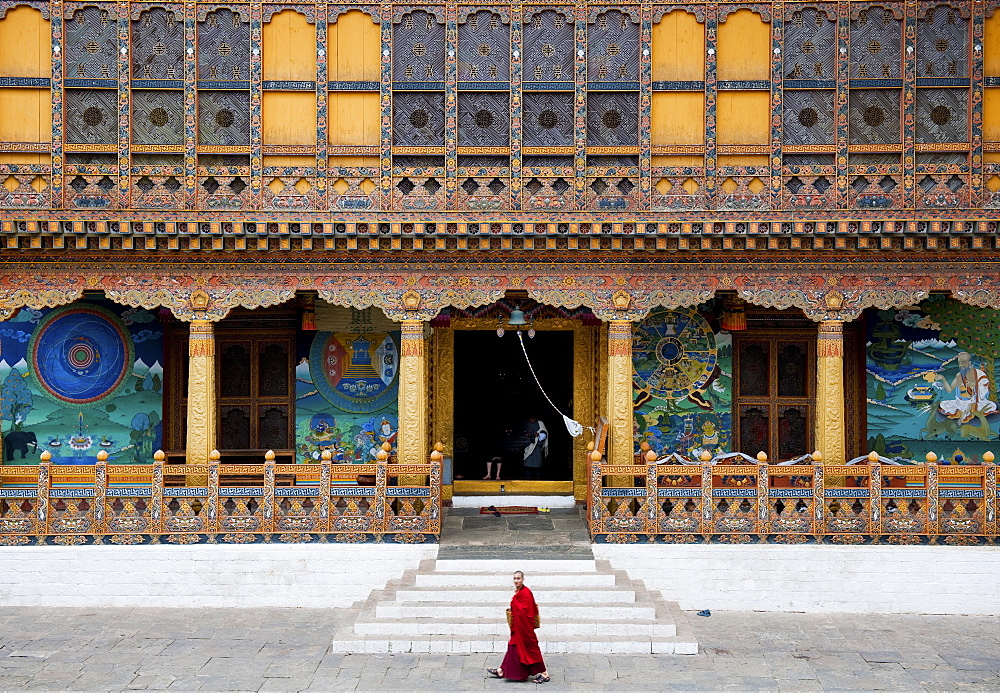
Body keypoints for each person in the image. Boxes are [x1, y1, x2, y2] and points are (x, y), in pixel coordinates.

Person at [487, 571, 550, 683]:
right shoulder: (519, 592)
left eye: (518, 578)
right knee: (513, 648)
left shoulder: (526, 593)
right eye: (514, 579)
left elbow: (529, 611)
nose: (516, 581)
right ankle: (501, 670)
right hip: (518, 628)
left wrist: (515, 603)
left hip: (525, 629)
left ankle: (544, 674)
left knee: (531, 650)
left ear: (523, 579)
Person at [934, 352, 998, 423]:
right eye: (960, 363)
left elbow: (985, 387)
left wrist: (974, 384)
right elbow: (949, 390)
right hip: (960, 402)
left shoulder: (978, 374)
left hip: (976, 401)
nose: (961, 365)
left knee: (991, 406)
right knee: (943, 404)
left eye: (964, 362)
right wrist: (943, 379)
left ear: (969, 363)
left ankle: (965, 414)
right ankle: (965, 412)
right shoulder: (959, 375)